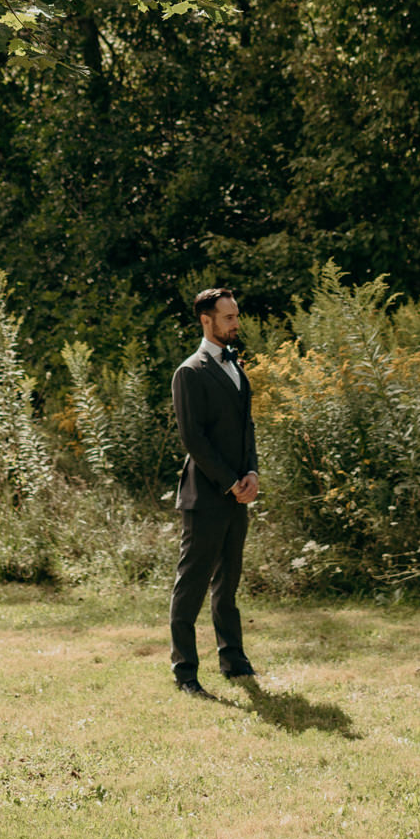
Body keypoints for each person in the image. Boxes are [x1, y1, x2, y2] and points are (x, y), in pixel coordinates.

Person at [168, 287, 260, 695]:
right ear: (206, 320)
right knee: (191, 586)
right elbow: (194, 439)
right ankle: (185, 672)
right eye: (228, 318)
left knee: (228, 584)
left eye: (235, 315)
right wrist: (229, 482)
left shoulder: (235, 365)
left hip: (239, 493)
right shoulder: (189, 372)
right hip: (205, 497)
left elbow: (247, 428)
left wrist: (253, 473)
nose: (235, 323)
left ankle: (233, 660)